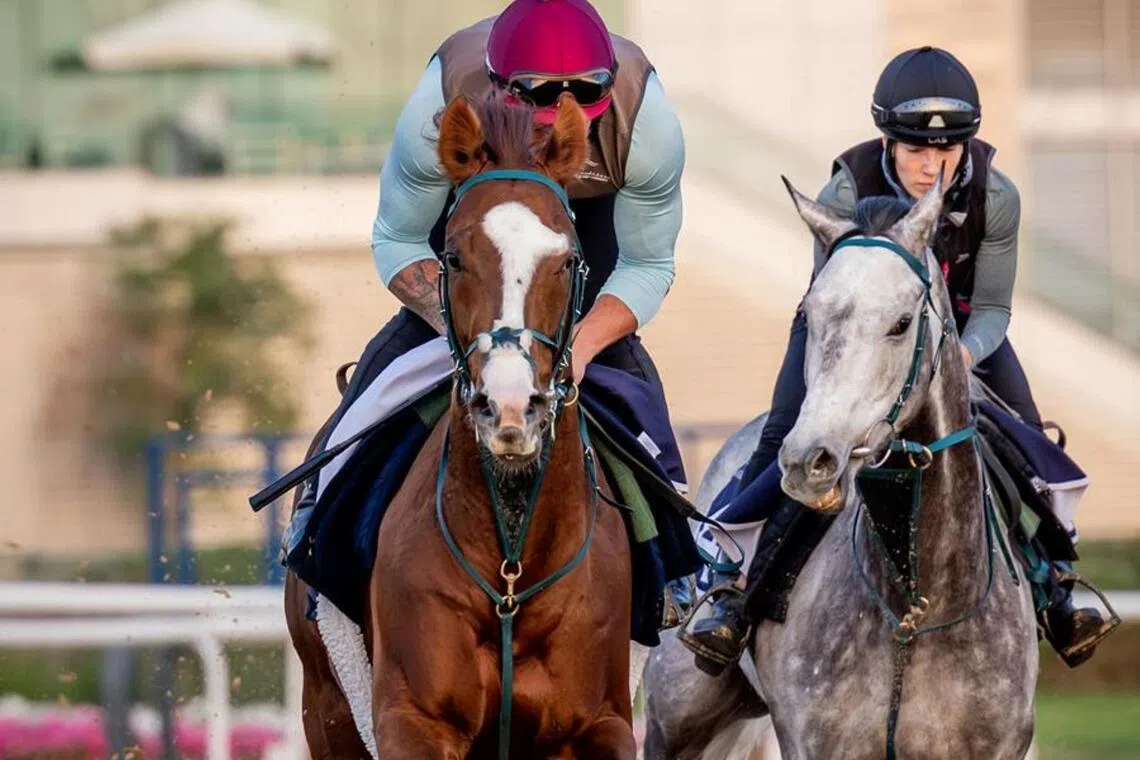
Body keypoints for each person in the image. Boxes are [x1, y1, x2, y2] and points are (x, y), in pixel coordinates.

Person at [682, 46, 1117, 674]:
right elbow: (833, 305)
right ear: (887, 142)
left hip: (966, 335)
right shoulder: (842, 191)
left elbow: (993, 307)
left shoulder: (998, 195)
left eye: (947, 152)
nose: (932, 165)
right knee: (785, 438)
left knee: (1028, 435)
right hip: (850, 333)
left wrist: (958, 355)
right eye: (915, 151)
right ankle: (733, 594)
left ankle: (1058, 586)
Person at [279, 0, 686, 570]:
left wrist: (580, 347)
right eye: (539, 98)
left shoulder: (647, 125)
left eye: (581, 96)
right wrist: (468, 336)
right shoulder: (439, 111)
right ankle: (318, 505)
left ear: (608, 86)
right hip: (473, 228)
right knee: (389, 364)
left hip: (578, 230)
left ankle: (681, 555)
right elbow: (398, 238)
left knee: (628, 373)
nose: (558, 115)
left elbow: (647, 265)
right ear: (498, 87)